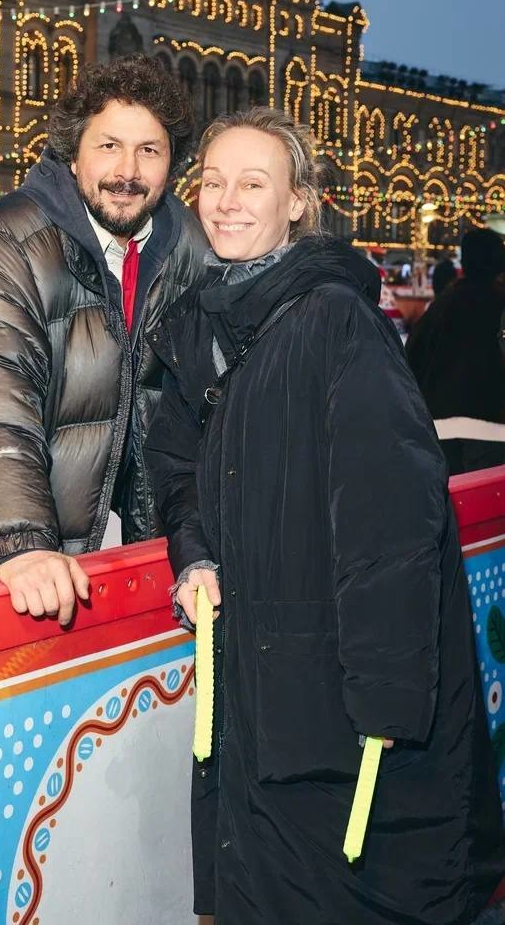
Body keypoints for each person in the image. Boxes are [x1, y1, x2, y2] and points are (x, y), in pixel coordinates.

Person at [146, 107, 504, 925]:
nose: (226, 201)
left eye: (253, 184)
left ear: (298, 202)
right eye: (213, 182)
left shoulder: (335, 321)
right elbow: (174, 463)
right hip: (253, 683)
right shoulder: (203, 322)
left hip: (331, 704)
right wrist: (193, 553)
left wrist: (383, 698)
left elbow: (393, 517)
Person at [0, 54, 206, 625]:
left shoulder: (190, 242)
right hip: (40, 560)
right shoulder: (14, 236)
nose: (127, 171)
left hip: (155, 559)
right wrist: (23, 541)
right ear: (73, 151)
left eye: (149, 150)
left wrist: (198, 543)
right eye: (109, 146)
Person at [407, 227, 505, 474]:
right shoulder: (498, 305)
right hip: (492, 424)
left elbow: (412, 356)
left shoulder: (444, 304)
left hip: (441, 422)